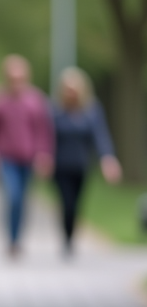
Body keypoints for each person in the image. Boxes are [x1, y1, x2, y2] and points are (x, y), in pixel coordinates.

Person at [0, 55, 53, 258]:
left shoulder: (36, 100)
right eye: (12, 77)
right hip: (7, 158)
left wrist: (44, 154)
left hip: (29, 157)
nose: (16, 81)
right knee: (12, 196)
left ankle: (19, 238)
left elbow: (43, 130)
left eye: (20, 77)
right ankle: (12, 240)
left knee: (23, 200)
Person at [51, 67, 121, 256]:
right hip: (60, 166)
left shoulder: (92, 110)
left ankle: (71, 236)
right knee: (67, 203)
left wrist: (107, 158)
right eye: (68, 89)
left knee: (77, 204)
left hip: (81, 166)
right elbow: (47, 138)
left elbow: (101, 136)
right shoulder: (55, 111)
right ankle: (66, 238)